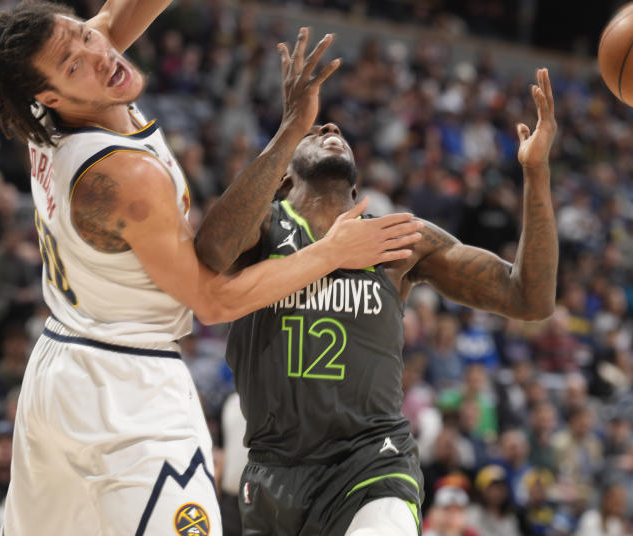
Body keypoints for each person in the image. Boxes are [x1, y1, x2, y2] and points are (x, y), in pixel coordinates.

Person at [0, 0, 422, 533]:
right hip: (126, 383)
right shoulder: (124, 178)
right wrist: (330, 254)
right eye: (75, 60)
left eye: (83, 30)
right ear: (52, 96)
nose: (99, 49)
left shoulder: (52, 102)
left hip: (60, 362)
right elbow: (211, 301)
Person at [215, 68, 559, 535]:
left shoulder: (400, 240)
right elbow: (211, 250)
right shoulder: (261, 230)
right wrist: (289, 129)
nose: (330, 128)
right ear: (281, 179)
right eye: (315, 132)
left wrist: (536, 173)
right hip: (275, 472)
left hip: (373, 464)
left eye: (335, 129)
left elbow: (530, 298)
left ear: (357, 186)